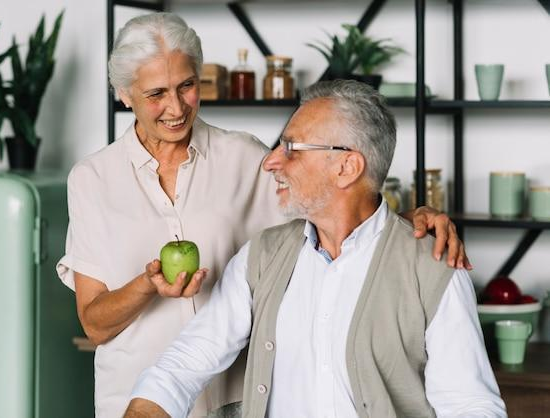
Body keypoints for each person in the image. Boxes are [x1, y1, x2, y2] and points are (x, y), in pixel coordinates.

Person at [56, 13, 469, 418]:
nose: (176, 107)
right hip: (138, 398)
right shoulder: (92, 179)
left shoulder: (245, 156)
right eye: (156, 94)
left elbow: (333, 205)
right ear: (125, 94)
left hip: (236, 399)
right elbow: (94, 324)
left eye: (187, 86)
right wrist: (147, 284)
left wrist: (407, 219)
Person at [125, 80, 506, 418]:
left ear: (347, 167)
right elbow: (186, 362)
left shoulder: (434, 267)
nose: (271, 160)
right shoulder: (262, 256)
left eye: (291, 147)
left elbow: (469, 405)